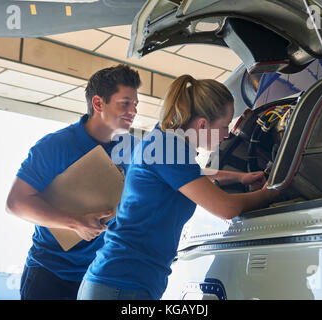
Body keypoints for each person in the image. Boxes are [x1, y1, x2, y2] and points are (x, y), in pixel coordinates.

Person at [77, 74, 280, 300]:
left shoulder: (164, 141)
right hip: (121, 285)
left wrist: (239, 178)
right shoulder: (168, 149)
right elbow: (226, 208)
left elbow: (190, 176)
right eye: (225, 126)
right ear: (202, 124)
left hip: (122, 282)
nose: (227, 135)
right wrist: (273, 191)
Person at [5, 64, 141, 300]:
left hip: (99, 276)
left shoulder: (133, 149)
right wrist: (75, 223)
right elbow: (16, 203)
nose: (134, 111)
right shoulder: (54, 146)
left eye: (136, 105)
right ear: (98, 104)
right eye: (125, 103)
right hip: (50, 276)